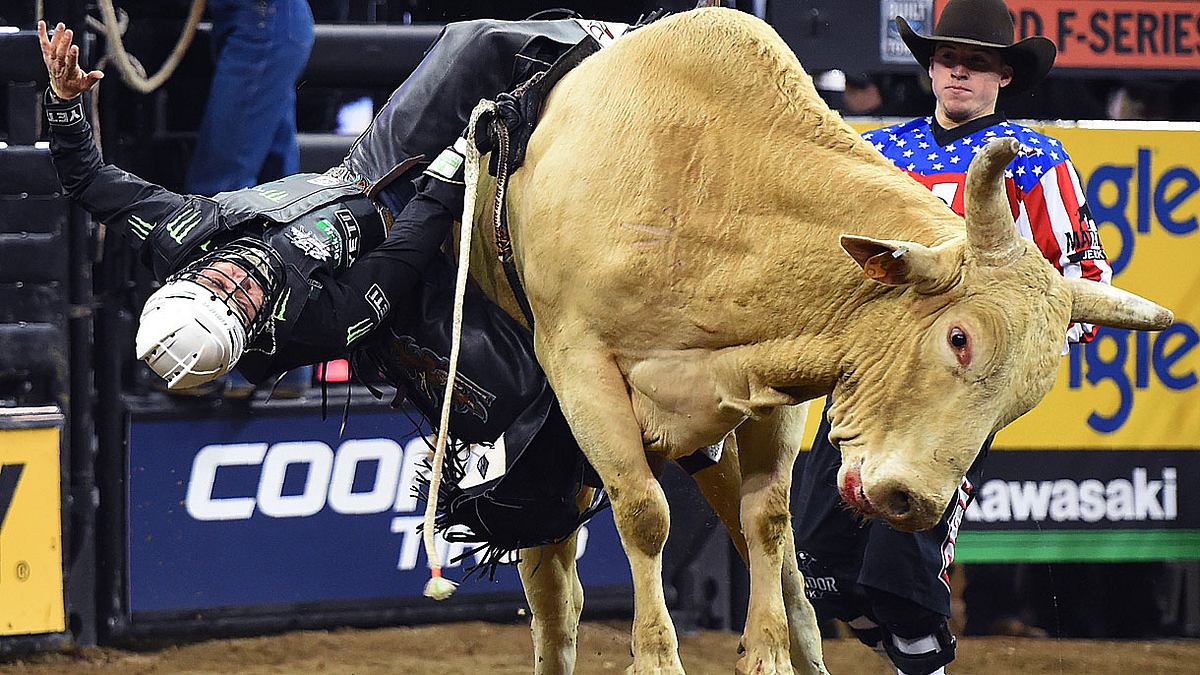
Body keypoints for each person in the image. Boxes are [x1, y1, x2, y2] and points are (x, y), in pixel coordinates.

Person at [37, 16, 627, 390]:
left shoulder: (176, 232)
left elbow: (87, 180)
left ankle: (622, 43)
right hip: (416, 259)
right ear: (252, 333)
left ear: (192, 279)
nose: (242, 285)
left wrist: (62, 101)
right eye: (241, 307)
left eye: (220, 288)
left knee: (470, 45)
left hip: (365, 169)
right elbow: (400, 259)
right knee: (522, 383)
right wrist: (450, 171)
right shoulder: (313, 325)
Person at [791, 1, 1112, 674]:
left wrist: (1009, 358)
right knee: (818, 559)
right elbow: (835, 266)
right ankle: (916, 653)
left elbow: (1084, 275)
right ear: (929, 68)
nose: (959, 73)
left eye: (977, 63)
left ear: (1003, 76)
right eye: (948, 59)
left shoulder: (1035, 160)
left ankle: (922, 655)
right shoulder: (877, 152)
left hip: (952, 396)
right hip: (866, 386)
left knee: (898, 562)